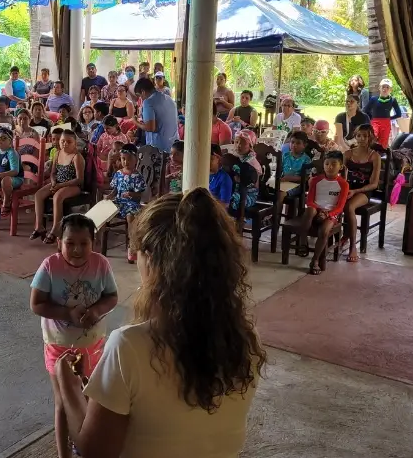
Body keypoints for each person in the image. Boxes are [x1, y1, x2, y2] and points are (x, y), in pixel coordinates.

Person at [55, 189, 265, 458]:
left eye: (138, 252)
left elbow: (95, 451)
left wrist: (70, 386)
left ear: (152, 261)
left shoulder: (129, 347)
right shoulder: (247, 339)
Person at [30, 213, 118, 458]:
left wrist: (97, 309)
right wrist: (67, 313)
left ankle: (86, 444)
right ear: (59, 242)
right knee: (62, 403)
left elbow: (111, 296)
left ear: (94, 243)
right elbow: (36, 304)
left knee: (90, 396)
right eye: (70, 243)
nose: (77, 250)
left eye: (84, 243)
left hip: (93, 344)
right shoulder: (50, 266)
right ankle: (63, 454)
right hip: (58, 345)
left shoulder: (101, 264)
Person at [296, 151, 350, 275]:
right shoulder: (315, 180)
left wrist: (327, 214)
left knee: (324, 231)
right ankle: (303, 242)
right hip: (315, 209)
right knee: (309, 210)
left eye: (333, 164)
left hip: (331, 213)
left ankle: (315, 260)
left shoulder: (343, 184)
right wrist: (319, 211)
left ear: (340, 166)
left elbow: (340, 207)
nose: (329, 167)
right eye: (327, 164)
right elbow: (310, 201)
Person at [31, 129, 85, 243]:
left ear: (75, 143)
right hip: (58, 183)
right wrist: (54, 182)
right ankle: (39, 226)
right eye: (62, 141)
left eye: (69, 142)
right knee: (38, 195)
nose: (65, 144)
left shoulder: (77, 157)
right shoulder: (57, 153)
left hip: (73, 185)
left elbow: (79, 179)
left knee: (57, 197)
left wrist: (61, 185)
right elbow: (53, 173)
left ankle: (56, 228)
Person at [342, 124, 381, 263]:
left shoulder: (374, 156)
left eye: (365, 136)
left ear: (371, 137)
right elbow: (341, 175)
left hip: (364, 191)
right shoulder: (348, 154)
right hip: (347, 188)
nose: (362, 138)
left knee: (349, 207)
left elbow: (374, 184)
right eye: (359, 135)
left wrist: (355, 191)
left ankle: (353, 246)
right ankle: (333, 235)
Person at [106, 143, 146, 263]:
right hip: (119, 202)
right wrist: (109, 196)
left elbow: (139, 195)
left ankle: (131, 245)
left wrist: (131, 194)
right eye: (123, 159)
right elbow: (115, 190)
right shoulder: (118, 174)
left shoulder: (137, 176)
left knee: (130, 217)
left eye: (129, 159)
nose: (125, 162)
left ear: (136, 160)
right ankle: (97, 240)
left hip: (131, 203)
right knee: (103, 211)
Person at [132, 77, 178, 153]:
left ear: (143, 92)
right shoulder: (169, 99)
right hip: (173, 145)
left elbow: (150, 128)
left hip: (159, 148)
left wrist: (135, 122)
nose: (141, 99)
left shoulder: (148, 102)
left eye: (140, 96)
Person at [276, 131, 311, 222]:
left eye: (298, 143)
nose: (294, 145)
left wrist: (289, 178)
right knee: (271, 189)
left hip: (297, 185)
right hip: (284, 182)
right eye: (292, 142)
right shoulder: (285, 156)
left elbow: (306, 178)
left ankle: (275, 217)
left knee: (280, 193)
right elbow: (279, 170)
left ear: (304, 145)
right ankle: (274, 214)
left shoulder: (306, 159)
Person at [229, 130, 263, 216]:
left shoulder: (252, 162)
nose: (238, 145)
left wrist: (238, 179)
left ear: (250, 146)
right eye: (236, 142)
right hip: (235, 190)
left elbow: (252, 183)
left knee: (229, 200)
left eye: (243, 143)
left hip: (248, 194)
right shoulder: (234, 157)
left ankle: (235, 224)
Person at [363, 78, 402, 148]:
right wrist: (371, 118)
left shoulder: (392, 100)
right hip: (375, 122)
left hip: (386, 123)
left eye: (387, 87)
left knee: (383, 143)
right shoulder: (374, 99)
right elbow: (366, 110)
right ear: (379, 88)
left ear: (390, 89)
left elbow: (399, 114)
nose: (385, 89)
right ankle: (369, 154)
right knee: (372, 137)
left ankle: (381, 157)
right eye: (383, 87)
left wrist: (389, 118)